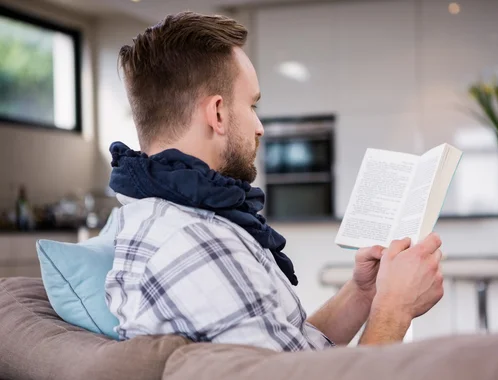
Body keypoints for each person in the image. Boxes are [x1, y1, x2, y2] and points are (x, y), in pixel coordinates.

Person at [105, 12, 444, 351]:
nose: (259, 127)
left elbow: (290, 355)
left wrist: (364, 292)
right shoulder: (195, 243)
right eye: (252, 105)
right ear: (218, 113)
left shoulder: (182, 219)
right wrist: (394, 309)